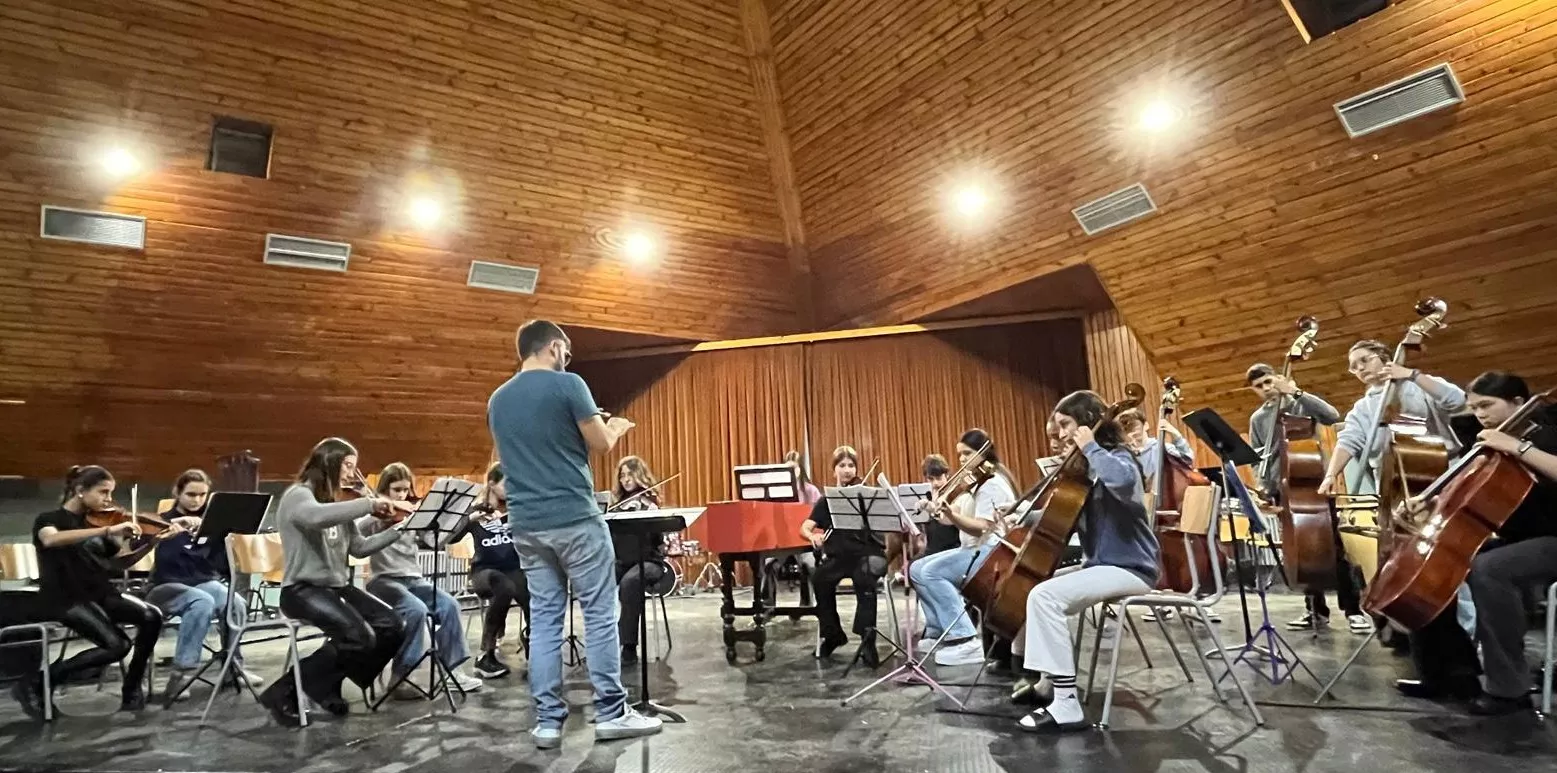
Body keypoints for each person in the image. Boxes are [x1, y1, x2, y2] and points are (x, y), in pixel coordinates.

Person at [488, 319, 661, 748]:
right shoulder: (569, 384)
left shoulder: (498, 399)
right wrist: (614, 427)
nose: (567, 357)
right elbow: (600, 444)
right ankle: (612, 713)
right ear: (552, 347)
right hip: (574, 518)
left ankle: (548, 723)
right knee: (599, 614)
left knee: (545, 620)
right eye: (565, 349)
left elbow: (521, 455)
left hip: (526, 524)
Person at [1396, 371, 1557, 715]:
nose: (1480, 414)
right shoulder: (1490, 442)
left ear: (1517, 402)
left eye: (1487, 405)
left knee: (1489, 569)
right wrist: (1429, 501)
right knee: (1440, 557)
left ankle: (1510, 689)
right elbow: (1470, 490)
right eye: (1475, 408)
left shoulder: (1546, 431)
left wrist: (1517, 447)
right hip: (1523, 539)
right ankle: (1450, 672)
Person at [1009, 391, 1161, 732]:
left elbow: (1123, 483)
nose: (1061, 434)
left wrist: (1090, 446)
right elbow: (1065, 515)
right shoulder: (1089, 469)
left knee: (1045, 597)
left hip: (1131, 567)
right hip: (1103, 566)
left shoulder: (1119, 457)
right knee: (1035, 588)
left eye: (1066, 425)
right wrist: (1020, 517)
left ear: (1088, 422)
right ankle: (1048, 684)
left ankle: (1066, 705)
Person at [11, 465, 192, 718]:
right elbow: (51, 540)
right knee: (117, 645)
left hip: (100, 593)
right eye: (103, 492)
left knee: (152, 616)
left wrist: (152, 542)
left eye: (110, 493)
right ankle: (38, 681)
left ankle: (132, 688)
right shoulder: (49, 519)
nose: (109, 499)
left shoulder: (104, 521)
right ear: (80, 490)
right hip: (64, 597)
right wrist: (107, 530)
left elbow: (119, 564)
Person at [1312, 341, 1467, 634]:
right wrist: (1331, 474)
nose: (1359, 369)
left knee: (1449, 554)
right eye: (1353, 367)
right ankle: (1422, 629)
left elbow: (1457, 400)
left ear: (1384, 357)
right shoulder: (1363, 406)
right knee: (1408, 557)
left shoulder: (1418, 386)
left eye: (1364, 360)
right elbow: (1350, 440)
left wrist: (1411, 375)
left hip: (1441, 475)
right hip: (1394, 487)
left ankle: (1467, 628)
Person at [255, 438, 409, 727]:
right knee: (358, 637)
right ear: (329, 462)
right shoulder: (298, 495)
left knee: (392, 625)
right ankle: (285, 690)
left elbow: (358, 548)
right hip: (301, 589)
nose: (352, 473)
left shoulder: (338, 503)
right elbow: (315, 518)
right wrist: (368, 504)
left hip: (336, 587)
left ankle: (324, 685)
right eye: (348, 465)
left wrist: (400, 529)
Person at [1242, 363, 1358, 633]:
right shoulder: (1258, 419)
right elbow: (1259, 459)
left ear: (1278, 378)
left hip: (1315, 483)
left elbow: (1332, 416)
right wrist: (1263, 488)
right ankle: (1315, 611)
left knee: (1335, 549)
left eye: (1269, 382)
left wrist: (1295, 392)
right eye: (1259, 386)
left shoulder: (1299, 402)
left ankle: (1353, 611)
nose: (1266, 389)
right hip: (1283, 489)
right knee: (1301, 551)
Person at [358, 463, 484, 698]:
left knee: (450, 605)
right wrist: (381, 510)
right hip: (383, 580)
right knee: (416, 611)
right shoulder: (376, 514)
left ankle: (452, 671)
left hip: (413, 579)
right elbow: (357, 531)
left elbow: (435, 541)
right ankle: (401, 675)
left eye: (405, 490)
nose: (401, 495)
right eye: (396, 490)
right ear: (384, 488)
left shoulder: (411, 514)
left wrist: (463, 519)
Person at [147, 469, 263, 703]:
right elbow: (155, 549)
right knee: (202, 602)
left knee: (235, 603)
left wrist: (220, 536)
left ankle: (232, 668)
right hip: (166, 587)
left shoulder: (211, 523)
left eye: (202, 495)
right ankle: (180, 675)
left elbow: (217, 565)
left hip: (203, 584)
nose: (197, 500)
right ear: (177, 493)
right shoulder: (163, 521)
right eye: (191, 494)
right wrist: (174, 529)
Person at [909, 430, 1017, 667]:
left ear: (984, 452)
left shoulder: (992, 484)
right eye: (959, 454)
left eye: (967, 453)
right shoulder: (976, 483)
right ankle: (938, 630)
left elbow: (981, 528)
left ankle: (965, 638)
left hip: (991, 553)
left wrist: (950, 513)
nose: (962, 460)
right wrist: (934, 509)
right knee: (916, 569)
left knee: (931, 572)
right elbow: (951, 518)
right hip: (973, 549)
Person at [801, 445, 901, 668]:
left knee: (865, 575)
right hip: (840, 558)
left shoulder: (868, 497)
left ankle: (868, 639)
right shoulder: (827, 500)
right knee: (819, 578)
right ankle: (833, 635)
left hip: (869, 554)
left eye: (851, 465)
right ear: (834, 470)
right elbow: (805, 527)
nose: (847, 470)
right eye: (842, 465)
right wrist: (812, 536)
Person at [463, 462, 530, 679]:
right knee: (504, 586)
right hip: (484, 571)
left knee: (533, 589)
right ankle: (485, 655)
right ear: (492, 484)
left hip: (513, 568)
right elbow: (451, 537)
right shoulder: (476, 510)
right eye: (506, 484)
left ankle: (534, 639)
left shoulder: (516, 509)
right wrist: (470, 519)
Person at [610, 456, 673, 667]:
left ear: (640, 475)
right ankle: (602, 641)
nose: (626, 480)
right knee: (596, 580)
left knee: (630, 582)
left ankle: (628, 645)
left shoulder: (649, 504)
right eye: (622, 476)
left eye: (630, 474)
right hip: (623, 562)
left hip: (650, 563)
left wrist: (650, 514)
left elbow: (658, 541)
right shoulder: (616, 506)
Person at [1118, 408, 1193, 489]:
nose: (1133, 431)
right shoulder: (1124, 456)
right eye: (1127, 429)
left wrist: (1176, 436)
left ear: (1146, 425)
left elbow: (1187, 460)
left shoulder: (1161, 448)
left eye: (1135, 426)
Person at [919, 454, 960, 556]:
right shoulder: (926, 495)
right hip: (932, 550)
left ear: (947, 475)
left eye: (939, 478)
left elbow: (952, 520)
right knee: (913, 563)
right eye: (931, 479)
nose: (935, 483)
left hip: (951, 549)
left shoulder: (955, 495)